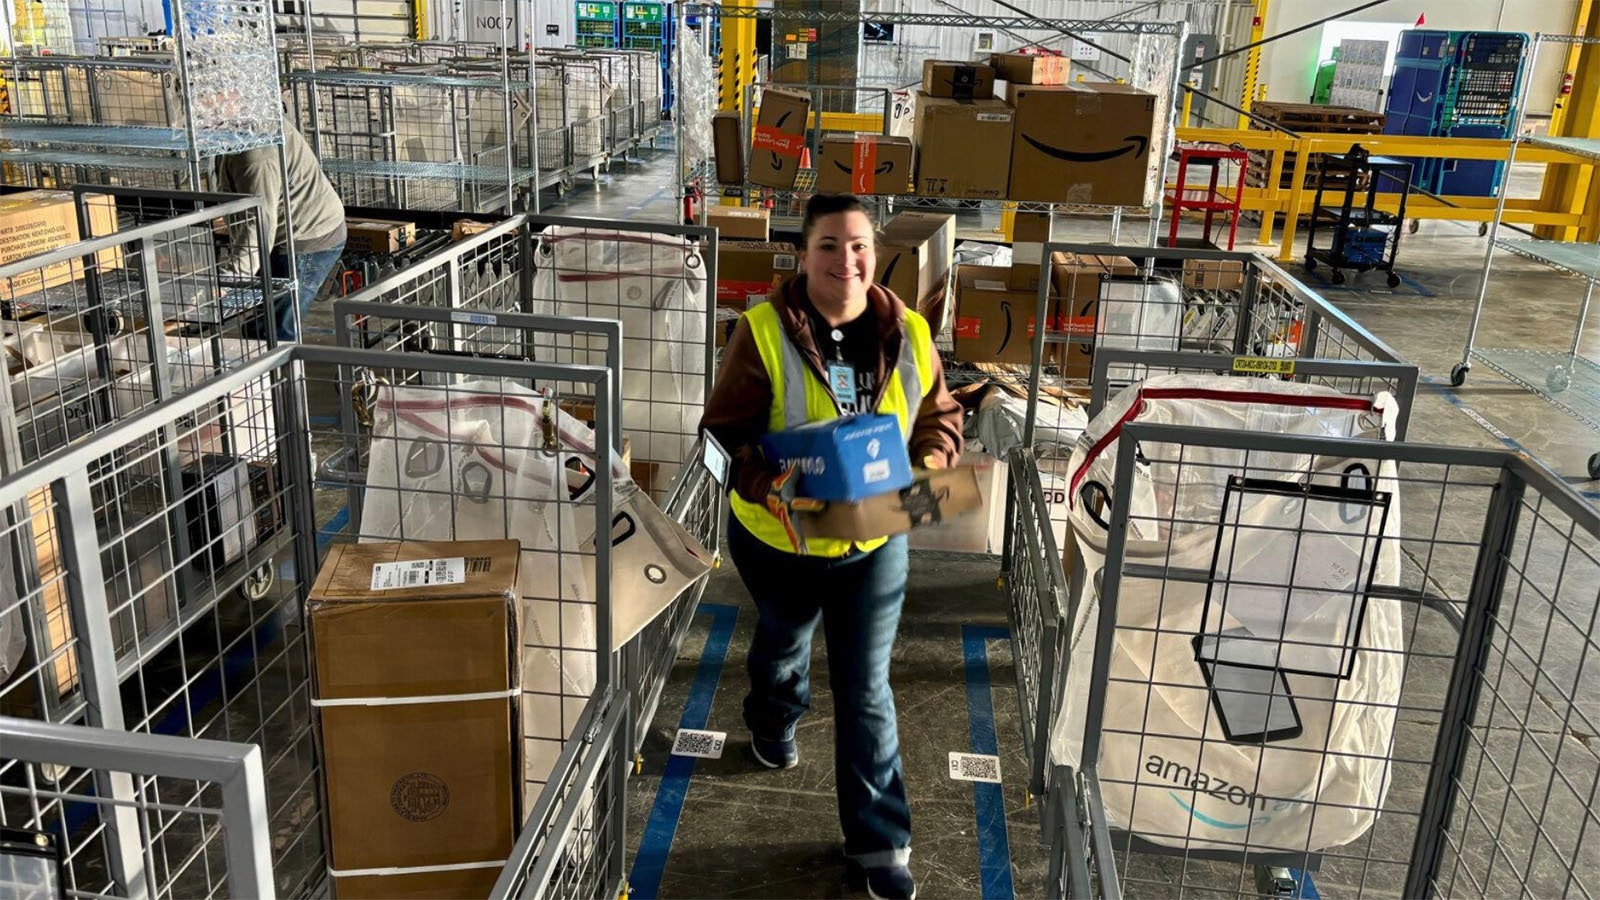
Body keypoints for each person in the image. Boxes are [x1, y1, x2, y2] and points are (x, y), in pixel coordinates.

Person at [699, 193, 963, 900]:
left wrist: (928, 471)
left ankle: (881, 844)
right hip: (780, 538)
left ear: (873, 254)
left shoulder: (907, 330)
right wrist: (765, 481)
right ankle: (774, 716)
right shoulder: (761, 331)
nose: (845, 261)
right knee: (784, 641)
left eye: (857, 246)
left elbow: (941, 417)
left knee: (865, 686)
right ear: (802, 254)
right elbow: (722, 432)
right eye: (829, 246)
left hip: (873, 538)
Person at [216, 120, 346, 342]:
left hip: (307, 238)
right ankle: (265, 370)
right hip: (290, 230)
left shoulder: (256, 153)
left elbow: (259, 224)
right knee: (261, 323)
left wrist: (230, 280)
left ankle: (285, 375)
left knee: (274, 330)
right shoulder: (243, 129)